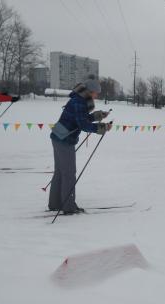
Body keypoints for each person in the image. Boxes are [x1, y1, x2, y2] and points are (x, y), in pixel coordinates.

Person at [49, 76, 111, 214]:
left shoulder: (79, 99)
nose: (97, 95)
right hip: (64, 140)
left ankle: (55, 203)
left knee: (60, 172)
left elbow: (81, 118)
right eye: (96, 93)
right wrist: (102, 128)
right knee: (69, 174)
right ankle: (69, 207)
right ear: (90, 91)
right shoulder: (79, 102)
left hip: (58, 137)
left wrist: (98, 115)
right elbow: (83, 125)